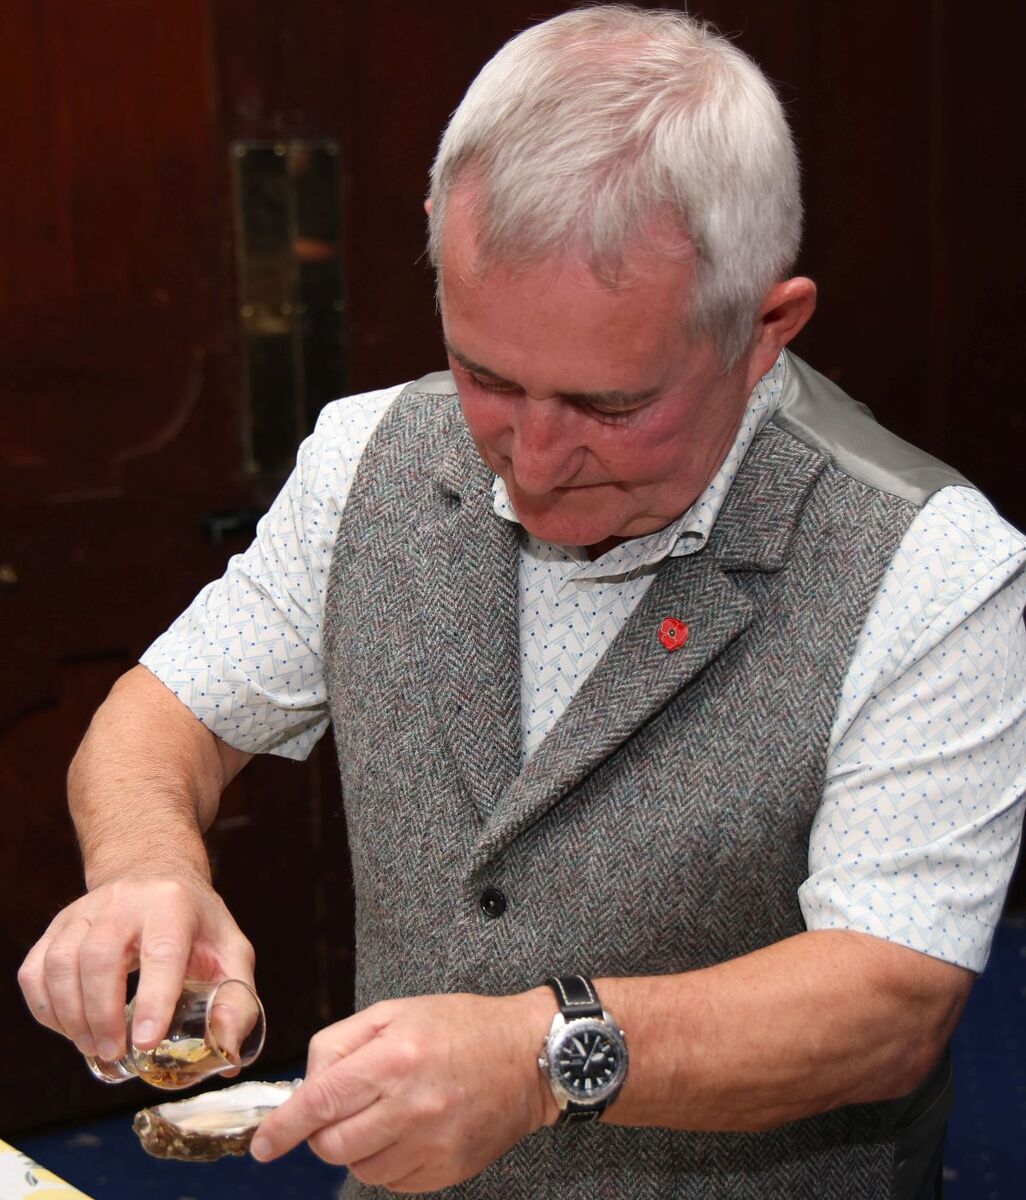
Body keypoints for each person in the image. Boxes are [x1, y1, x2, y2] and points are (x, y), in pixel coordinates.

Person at [18, 6, 1026, 1198]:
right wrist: (146, 868)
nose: (533, 462)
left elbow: (890, 1001)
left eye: (610, 406)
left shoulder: (931, 562)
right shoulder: (367, 457)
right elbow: (163, 713)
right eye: (486, 375)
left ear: (767, 327)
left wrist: (543, 1056)